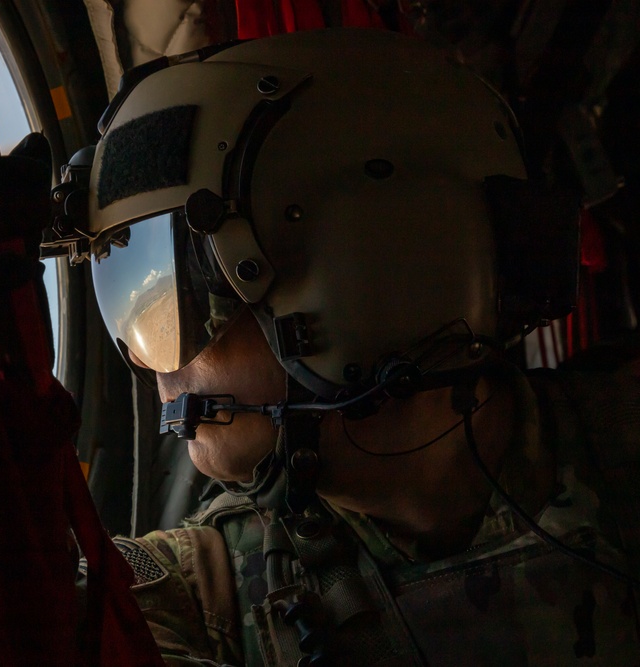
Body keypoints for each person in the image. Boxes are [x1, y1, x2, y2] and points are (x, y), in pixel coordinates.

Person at [45, 28, 640, 665]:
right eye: (126, 293)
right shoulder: (202, 593)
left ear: (354, 263)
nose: (146, 358)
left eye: (179, 294)